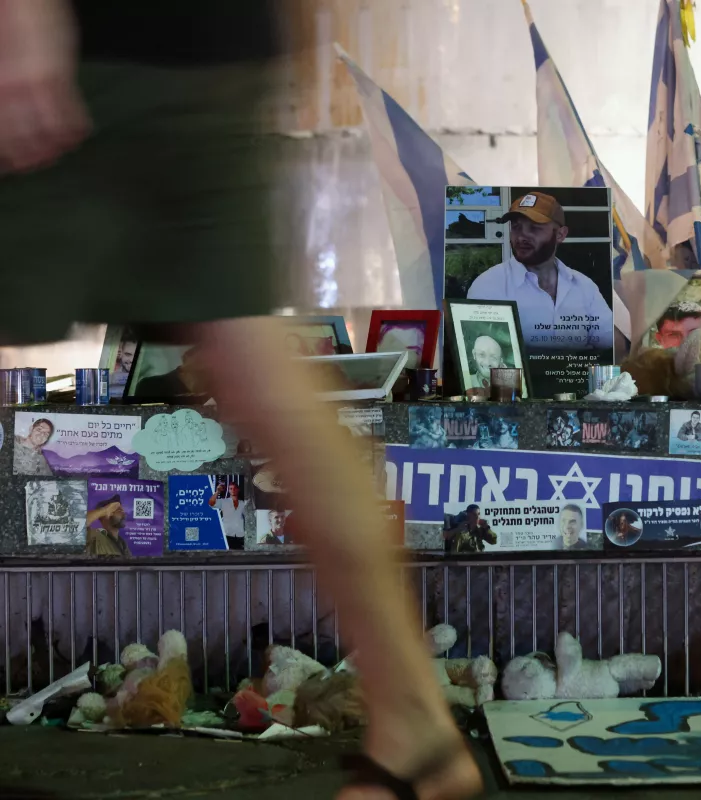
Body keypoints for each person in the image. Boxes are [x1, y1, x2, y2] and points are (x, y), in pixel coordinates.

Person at [0, 1, 481, 795]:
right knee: (256, 365)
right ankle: (417, 725)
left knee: (253, 364)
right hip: (213, 50)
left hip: (95, 51)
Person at [467, 191, 613, 351]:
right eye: (516, 227)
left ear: (560, 234)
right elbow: (483, 354)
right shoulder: (488, 286)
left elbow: (609, 345)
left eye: (535, 228)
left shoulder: (584, 286)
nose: (522, 236)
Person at [134, 346, 207, 399]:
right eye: (202, 360)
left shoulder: (213, 392)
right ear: (185, 358)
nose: (205, 366)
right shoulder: (149, 386)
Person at [208, 481, 246, 550]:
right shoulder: (223, 501)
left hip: (240, 534)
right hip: (227, 534)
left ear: (238, 490)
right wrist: (217, 492)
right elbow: (211, 503)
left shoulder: (243, 503)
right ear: (228, 491)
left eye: (234, 488)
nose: (233, 490)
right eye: (231, 489)